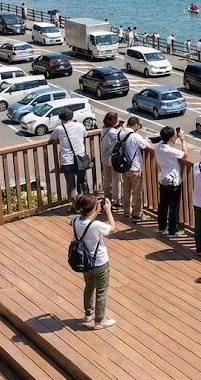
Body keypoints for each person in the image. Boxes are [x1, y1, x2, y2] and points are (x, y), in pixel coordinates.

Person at [72, 193, 116, 330]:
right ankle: (100, 320)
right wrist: (108, 211)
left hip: (84, 261)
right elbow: (112, 228)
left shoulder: (75, 221)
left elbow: (83, 220)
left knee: (89, 287)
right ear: (94, 208)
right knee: (101, 290)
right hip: (100, 261)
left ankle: (88, 314)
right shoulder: (96, 225)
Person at [50, 109, 89, 206]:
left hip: (67, 160)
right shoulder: (80, 125)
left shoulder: (59, 129)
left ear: (61, 119)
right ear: (72, 117)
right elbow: (85, 135)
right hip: (80, 157)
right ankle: (87, 202)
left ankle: (76, 204)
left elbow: (52, 139)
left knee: (71, 185)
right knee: (83, 181)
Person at [155, 126, 188, 237]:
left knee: (163, 204)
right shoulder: (169, 150)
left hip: (163, 178)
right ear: (170, 138)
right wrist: (183, 140)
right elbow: (185, 155)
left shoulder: (159, 145)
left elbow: (168, 144)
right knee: (173, 207)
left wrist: (175, 138)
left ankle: (162, 227)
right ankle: (173, 230)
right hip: (173, 181)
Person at [120, 117, 153, 221]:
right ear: (135, 125)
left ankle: (126, 211)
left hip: (124, 166)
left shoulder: (120, 133)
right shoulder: (135, 136)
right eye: (138, 125)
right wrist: (147, 141)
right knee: (137, 192)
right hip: (134, 167)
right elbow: (147, 146)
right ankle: (136, 214)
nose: (139, 127)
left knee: (126, 190)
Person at [99, 113, 123, 208]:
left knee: (107, 179)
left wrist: (116, 125)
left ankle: (107, 197)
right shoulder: (115, 132)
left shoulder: (103, 130)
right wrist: (120, 126)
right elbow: (122, 136)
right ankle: (115, 200)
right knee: (116, 180)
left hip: (105, 158)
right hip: (114, 160)